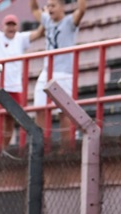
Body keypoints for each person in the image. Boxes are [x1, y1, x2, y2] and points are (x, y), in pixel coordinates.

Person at [0, 7, 45, 148]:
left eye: (13, 24)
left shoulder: (20, 38)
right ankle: (1, 149)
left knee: (10, 118)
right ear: (3, 26)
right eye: (8, 24)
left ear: (16, 26)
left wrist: (44, 17)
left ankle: (4, 149)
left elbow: (39, 33)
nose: (11, 27)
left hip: (14, 85)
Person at [30, 0, 87, 133]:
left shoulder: (69, 22)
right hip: (46, 71)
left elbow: (82, 9)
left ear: (62, 7)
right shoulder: (47, 21)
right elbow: (34, 9)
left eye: (53, 6)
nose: (50, 9)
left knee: (65, 113)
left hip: (64, 73)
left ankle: (65, 151)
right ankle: (41, 146)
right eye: (48, 6)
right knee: (39, 108)